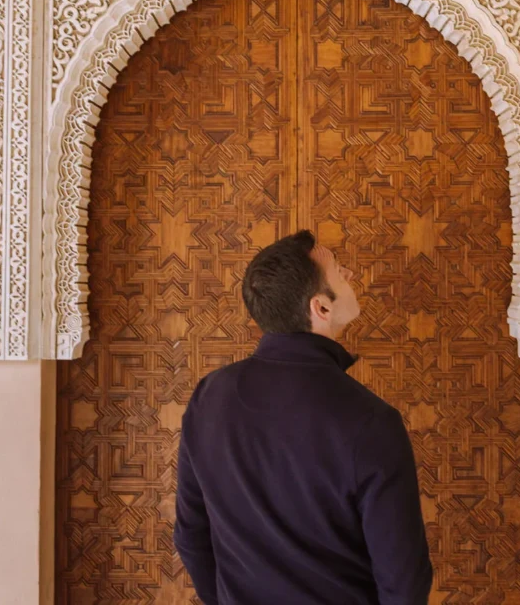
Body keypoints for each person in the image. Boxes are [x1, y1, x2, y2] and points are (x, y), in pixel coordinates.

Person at [174, 229, 433, 605]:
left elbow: (190, 536)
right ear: (321, 308)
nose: (352, 277)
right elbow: (403, 580)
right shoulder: (372, 421)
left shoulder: (209, 398)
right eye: (341, 272)